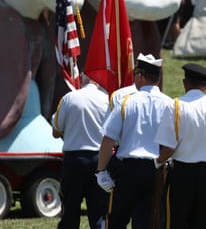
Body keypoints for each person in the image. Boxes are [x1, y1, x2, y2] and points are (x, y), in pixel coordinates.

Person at [154, 63, 206, 229]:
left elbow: (169, 147)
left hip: (181, 175)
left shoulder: (175, 106)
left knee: (176, 222)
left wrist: (157, 163)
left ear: (185, 83)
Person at [96, 53, 172, 229]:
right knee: (147, 221)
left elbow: (108, 139)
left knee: (116, 220)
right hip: (156, 169)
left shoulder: (126, 103)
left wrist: (101, 171)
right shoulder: (169, 104)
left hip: (127, 169)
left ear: (139, 76)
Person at [52, 73, 110, 229]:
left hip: (74, 161)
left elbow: (56, 131)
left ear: (82, 80)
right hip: (100, 160)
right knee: (98, 212)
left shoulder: (69, 98)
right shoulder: (107, 100)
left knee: (70, 211)